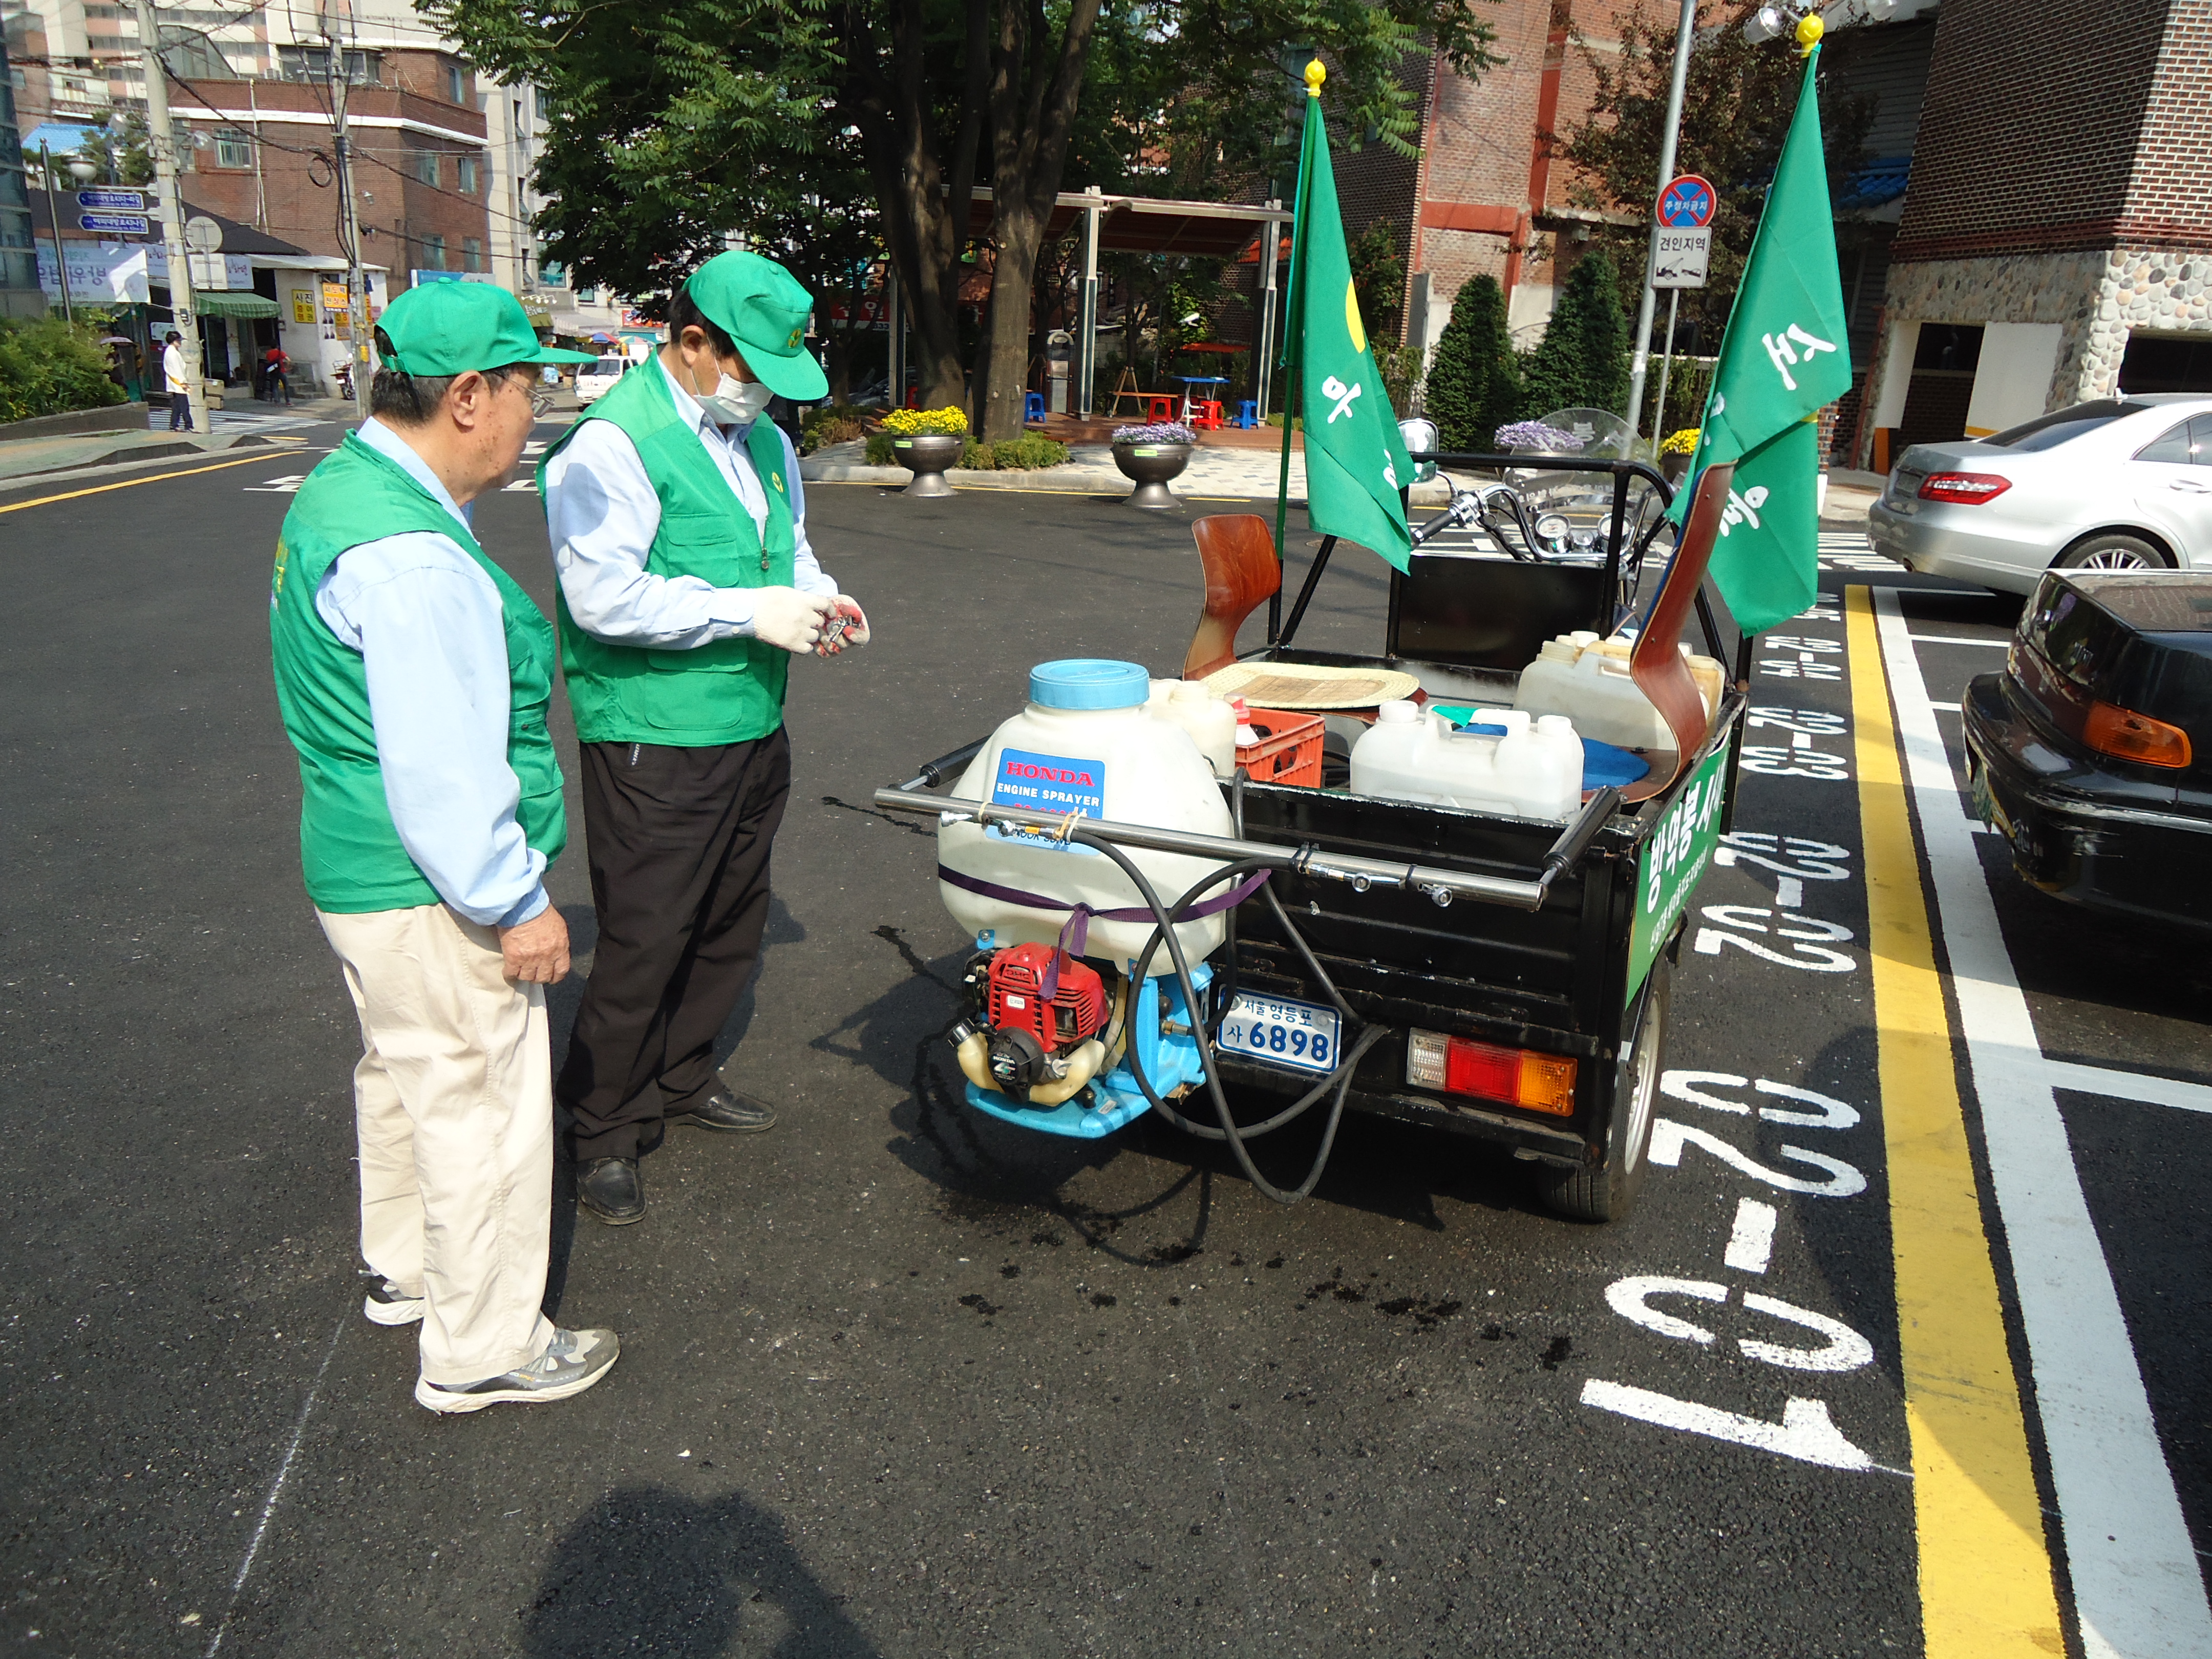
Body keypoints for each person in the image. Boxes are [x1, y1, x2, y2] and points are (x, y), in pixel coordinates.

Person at [267, 282, 612, 1413]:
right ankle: (486, 1348)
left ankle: (406, 1271)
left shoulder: (345, 492)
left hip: (357, 869)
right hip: (427, 887)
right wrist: (519, 903)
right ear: (468, 398)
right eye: (528, 390)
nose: (536, 414)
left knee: (407, 1074)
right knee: (480, 1103)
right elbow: (444, 771)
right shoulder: (413, 560)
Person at [538, 249, 868, 1227]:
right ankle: (602, 1123)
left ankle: (682, 1079)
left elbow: (790, 545)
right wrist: (748, 612)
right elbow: (604, 598)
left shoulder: (762, 436)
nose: (762, 393)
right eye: (749, 370)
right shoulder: (612, 444)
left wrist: (819, 598)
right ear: (692, 344)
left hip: (751, 721)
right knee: (645, 938)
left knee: (729, 921)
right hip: (655, 735)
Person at [163, 330, 193, 431]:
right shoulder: (173, 353)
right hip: (178, 383)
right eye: (178, 340)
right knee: (184, 406)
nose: (180, 342)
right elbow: (178, 369)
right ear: (173, 341)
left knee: (177, 406)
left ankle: (174, 424)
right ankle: (189, 425)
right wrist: (184, 383)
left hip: (175, 383)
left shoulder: (170, 351)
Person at [263, 342, 293, 406]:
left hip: (273, 371)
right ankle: (288, 401)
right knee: (286, 386)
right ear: (277, 346)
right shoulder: (280, 353)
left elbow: (268, 361)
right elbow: (288, 360)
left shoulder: (268, 353)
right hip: (281, 370)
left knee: (275, 387)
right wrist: (287, 368)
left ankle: (277, 402)